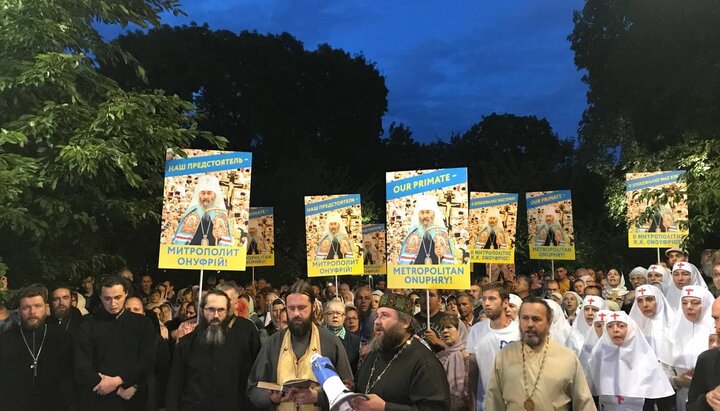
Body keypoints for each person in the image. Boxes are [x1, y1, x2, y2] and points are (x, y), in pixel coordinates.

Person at [247, 280, 352, 411]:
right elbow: (253, 388)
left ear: (313, 307)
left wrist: (317, 397)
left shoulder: (330, 342)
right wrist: (272, 398)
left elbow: (347, 389)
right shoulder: (273, 343)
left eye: (302, 308)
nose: (296, 314)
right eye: (291, 308)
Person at [484, 297, 595, 410]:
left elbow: (584, 403)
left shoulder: (567, 357)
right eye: (525, 318)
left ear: (549, 322)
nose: (530, 324)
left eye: (536, 319)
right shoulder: (504, 356)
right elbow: (493, 401)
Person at [351, 292, 450, 411]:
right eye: (377, 315)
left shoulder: (424, 362)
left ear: (405, 322)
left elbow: (436, 408)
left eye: (384, 315)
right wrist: (353, 388)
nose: (377, 321)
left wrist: (385, 408)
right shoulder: (376, 350)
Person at [166, 290, 259, 410]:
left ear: (227, 312)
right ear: (202, 310)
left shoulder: (240, 343)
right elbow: (174, 388)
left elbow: (246, 385)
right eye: (211, 309)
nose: (216, 315)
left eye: (221, 310)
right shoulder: (186, 344)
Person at [74, 276, 156, 410]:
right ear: (100, 297)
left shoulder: (143, 323)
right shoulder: (87, 325)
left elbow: (147, 359)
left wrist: (124, 381)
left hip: (133, 396)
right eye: (107, 299)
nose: (113, 303)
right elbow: (82, 364)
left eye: (118, 297)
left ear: (126, 294)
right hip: (98, 397)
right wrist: (116, 388)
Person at [0, 285, 75, 411]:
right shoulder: (5, 340)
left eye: (37, 306)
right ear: (18, 311)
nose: (32, 312)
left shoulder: (62, 337)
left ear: (46, 308)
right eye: (26, 307)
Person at [588, 311, 674, 410]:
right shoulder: (597, 354)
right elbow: (591, 392)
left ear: (631, 329)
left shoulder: (645, 357)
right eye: (610, 326)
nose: (615, 330)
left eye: (621, 326)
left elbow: (660, 395)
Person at [467, 284, 520, 410]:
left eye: (492, 299)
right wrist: (472, 404)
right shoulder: (476, 330)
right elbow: (473, 371)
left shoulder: (519, 332)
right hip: (485, 404)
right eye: (484, 299)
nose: (486, 303)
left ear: (505, 303)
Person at [668, 286, 716, 410]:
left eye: (695, 303)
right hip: (683, 395)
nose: (689, 306)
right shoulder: (673, 330)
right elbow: (664, 368)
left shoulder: (715, 330)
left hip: (711, 397)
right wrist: (677, 380)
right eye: (684, 303)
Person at [172, 174, 232, 246]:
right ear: (198, 194)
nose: (205, 196)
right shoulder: (191, 213)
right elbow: (180, 243)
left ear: (215, 195)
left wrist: (219, 238)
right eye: (203, 193)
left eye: (209, 193)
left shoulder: (220, 215)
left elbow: (226, 246)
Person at [398, 195, 456, 265]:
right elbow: (404, 263)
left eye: (428, 212)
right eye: (422, 212)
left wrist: (442, 255)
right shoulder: (413, 233)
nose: (425, 216)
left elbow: (448, 263)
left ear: (434, 213)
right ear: (418, 214)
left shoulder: (440, 233)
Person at [437, 314, 477, 411]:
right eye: (442, 328)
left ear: (460, 330)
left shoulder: (471, 355)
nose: (445, 331)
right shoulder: (439, 356)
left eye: (449, 327)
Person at [687, 296, 720, 411]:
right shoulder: (706, 359)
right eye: (716, 319)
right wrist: (707, 400)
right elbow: (691, 406)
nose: (718, 327)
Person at [324, 299, 361, 376]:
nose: (335, 316)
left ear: (344, 317)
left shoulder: (355, 341)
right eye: (330, 313)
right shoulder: (317, 337)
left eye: (338, 313)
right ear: (324, 316)